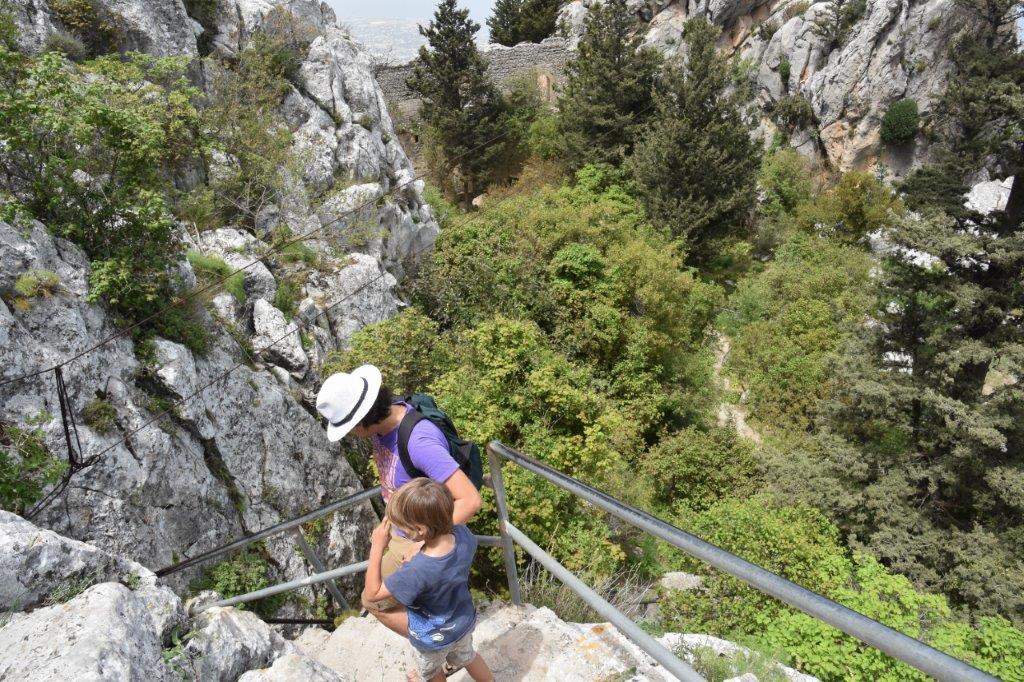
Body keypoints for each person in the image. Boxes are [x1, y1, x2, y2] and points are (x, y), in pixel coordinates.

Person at [315, 365, 483, 614]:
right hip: (401, 529)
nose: (350, 434)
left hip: (416, 538)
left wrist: (425, 542)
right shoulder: (384, 423)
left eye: (348, 427)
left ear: (362, 421)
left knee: (374, 602)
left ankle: (434, 639)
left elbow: (470, 500)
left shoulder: (419, 442)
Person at [362, 479, 494, 682]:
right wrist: (422, 545)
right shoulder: (463, 535)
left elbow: (372, 594)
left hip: (432, 638)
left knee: (432, 672)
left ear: (420, 530)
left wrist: (377, 546)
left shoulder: (417, 570)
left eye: (403, 528)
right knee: (469, 656)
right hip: (462, 622)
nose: (400, 531)